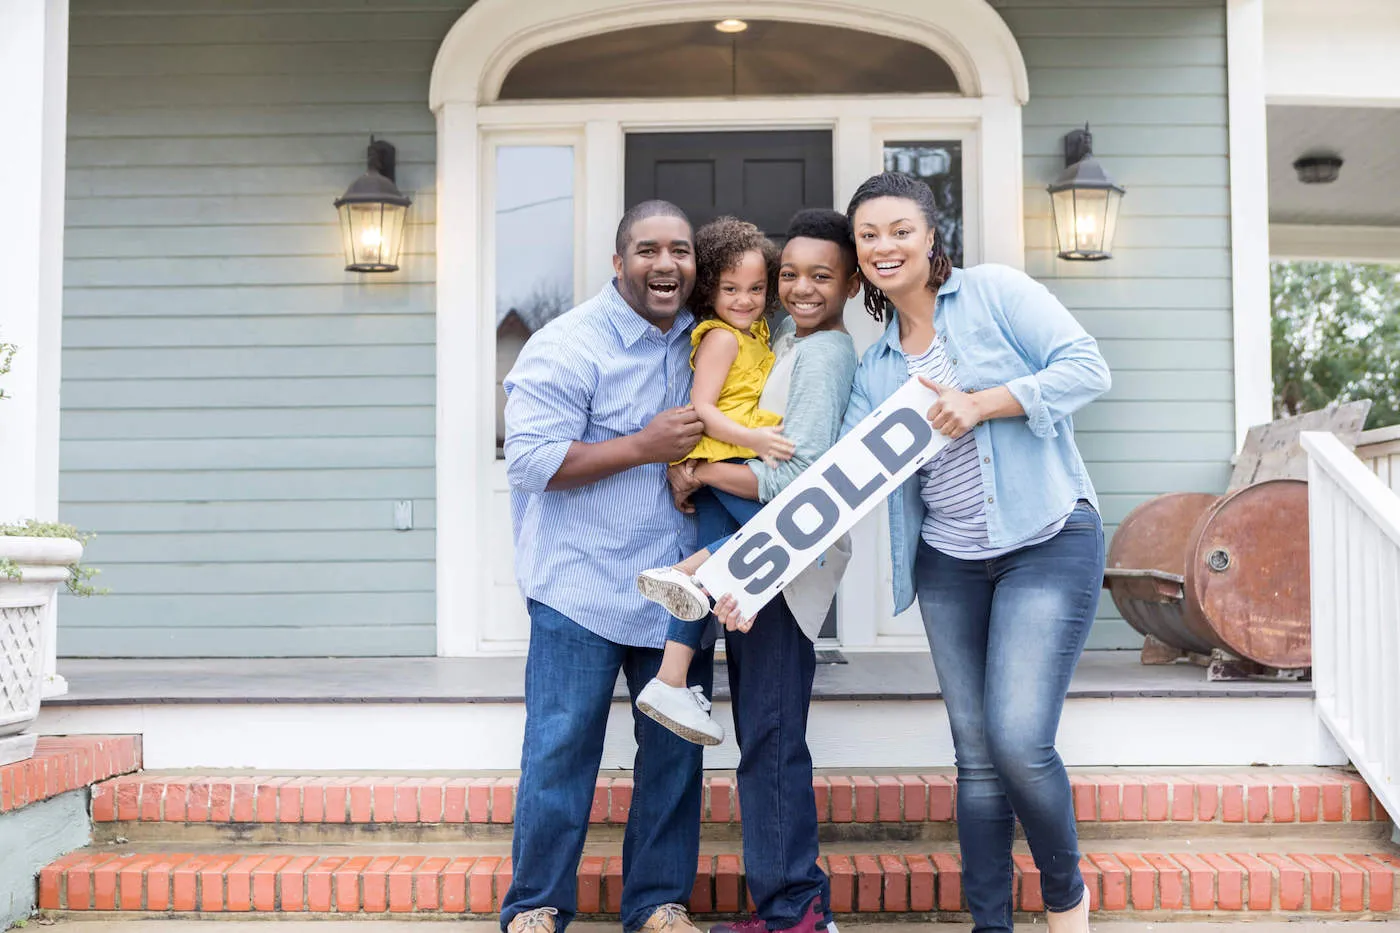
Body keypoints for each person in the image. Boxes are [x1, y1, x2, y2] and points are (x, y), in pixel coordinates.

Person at [840, 172, 1110, 933]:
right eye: (869, 236)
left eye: (900, 230)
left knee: (1020, 740)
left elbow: (1087, 367)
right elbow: (843, 479)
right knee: (978, 757)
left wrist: (984, 401)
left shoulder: (994, 295)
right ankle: (989, 923)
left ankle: (1064, 896)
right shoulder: (877, 367)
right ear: (858, 255)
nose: (885, 246)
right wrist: (740, 569)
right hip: (950, 564)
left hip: (1047, 539)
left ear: (932, 237)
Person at [499, 200, 712, 933]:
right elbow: (528, 461)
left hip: (675, 592)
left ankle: (656, 902)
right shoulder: (568, 344)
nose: (666, 264)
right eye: (648, 249)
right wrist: (644, 446)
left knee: (673, 757)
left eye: (680, 250)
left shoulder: (709, 341)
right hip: (578, 586)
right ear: (618, 263)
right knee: (560, 752)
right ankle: (537, 904)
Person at [668, 209, 861, 933]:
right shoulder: (782, 342)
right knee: (765, 736)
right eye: (792, 275)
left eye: (822, 275)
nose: (801, 288)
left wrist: (706, 472)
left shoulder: (824, 355)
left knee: (773, 739)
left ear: (848, 282)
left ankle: (797, 914)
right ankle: (787, 907)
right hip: (759, 562)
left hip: (779, 569)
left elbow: (799, 479)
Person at [634, 216, 793, 746]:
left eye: (754, 288)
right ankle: (683, 570)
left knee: (711, 570)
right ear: (709, 290)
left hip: (723, 463)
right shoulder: (723, 338)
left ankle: (669, 679)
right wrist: (757, 442)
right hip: (727, 457)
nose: (744, 300)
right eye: (730, 289)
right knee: (781, 533)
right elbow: (703, 408)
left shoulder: (756, 331)